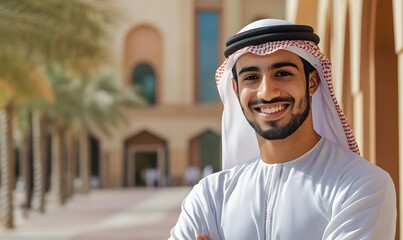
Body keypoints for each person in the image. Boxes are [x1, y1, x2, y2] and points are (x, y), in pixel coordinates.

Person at [169, 19, 396, 239]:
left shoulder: (360, 184)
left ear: (312, 82)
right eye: (252, 77)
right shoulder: (210, 196)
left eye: (283, 73)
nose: (267, 92)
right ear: (236, 90)